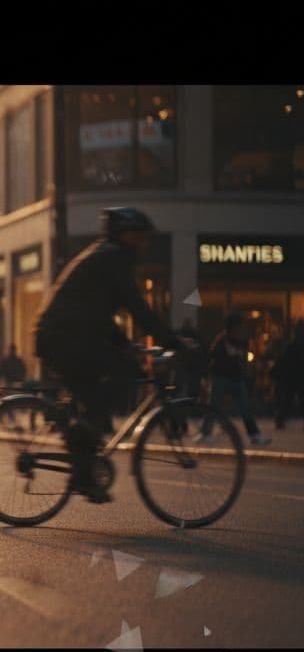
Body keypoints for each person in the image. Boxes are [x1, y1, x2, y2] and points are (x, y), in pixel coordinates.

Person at [34, 207, 190, 502]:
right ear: (126, 235)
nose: (144, 245)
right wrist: (175, 342)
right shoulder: (113, 258)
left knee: (107, 384)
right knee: (109, 388)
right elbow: (137, 308)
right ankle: (82, 465)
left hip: (63, 337)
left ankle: (83, 449)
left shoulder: (104, 256)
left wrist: (125, 344)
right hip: (64, 340)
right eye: (141, 238)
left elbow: (98, 313)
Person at [201, 312, 271, 445]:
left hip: (236, 378)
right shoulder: (222, 340)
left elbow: (244, 360)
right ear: (232, 327)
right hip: (221, 377)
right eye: (238, 327)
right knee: (214, 406)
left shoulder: (243, 341)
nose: (240, 329)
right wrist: (209, 376)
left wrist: (247, 374)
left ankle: (254, 435)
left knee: (245, 407)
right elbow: (211, 358)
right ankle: (205, 433)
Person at [274, 321, 304, 429]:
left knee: (288, 399)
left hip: (292, 376)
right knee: (293, 399)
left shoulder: (291, 345)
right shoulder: (294, 345)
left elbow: (283, 360)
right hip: (297, 376)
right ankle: (280, 419)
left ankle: (280, 419)